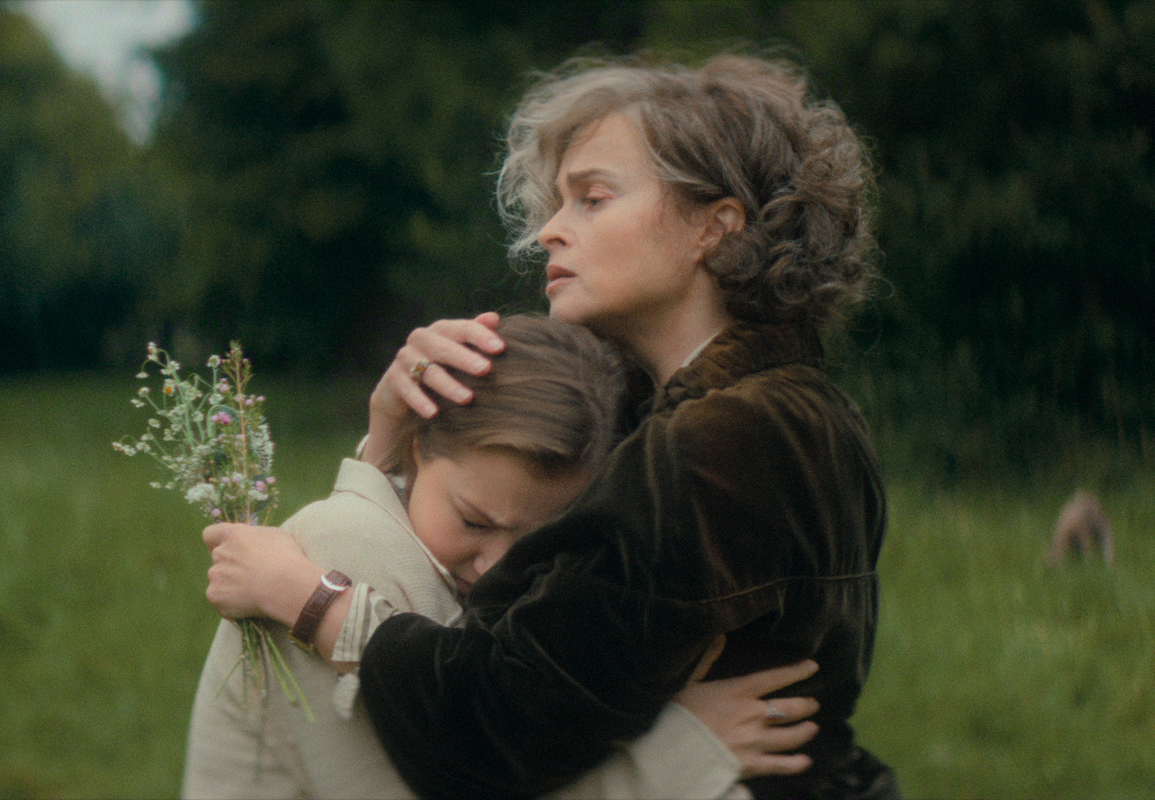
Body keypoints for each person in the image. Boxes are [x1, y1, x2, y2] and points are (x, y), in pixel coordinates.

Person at [206, 50, 898, 799]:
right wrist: (392, 438)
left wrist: (309, 598)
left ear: (715, 228)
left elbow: (493, 729)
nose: (549, 233)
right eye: (558, 203)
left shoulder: (725, 441)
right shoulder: (767, 410)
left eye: (592, 198)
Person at [190, 314, 821, 800]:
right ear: (417, 451)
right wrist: (676, 754)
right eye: (474, 521)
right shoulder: (339, 549)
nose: (496, 567)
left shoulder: (419, 540)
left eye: (539, 544)